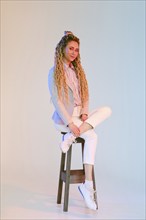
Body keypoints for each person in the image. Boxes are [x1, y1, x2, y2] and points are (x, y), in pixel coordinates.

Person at [48, 31, 112, 211]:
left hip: (79, 118)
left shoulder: (79, 72)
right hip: (64, 118)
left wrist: (84, 112)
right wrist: (70, 124)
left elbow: (86, 95)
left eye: (76, 50)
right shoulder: (54, 72)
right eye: (71, 48)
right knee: (92, 137)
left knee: (106, 110)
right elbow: (57, 100)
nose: (74, 52)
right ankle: (88, 185)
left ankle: (87, 185)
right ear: (63, 49)